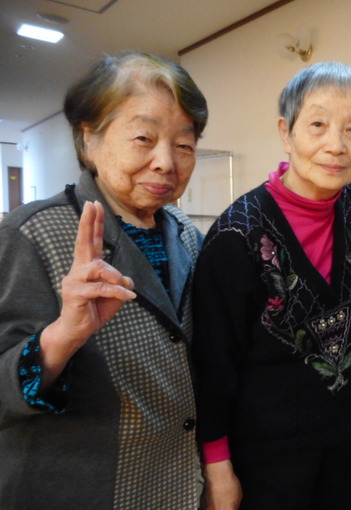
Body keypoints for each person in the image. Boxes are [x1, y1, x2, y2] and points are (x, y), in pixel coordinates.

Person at [0, 51, 208, 509]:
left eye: (184, 144)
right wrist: (61, 337)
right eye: (143, 137)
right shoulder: (31, 233)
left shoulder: (190, 236)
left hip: (176, 487)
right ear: (89, 138)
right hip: (81, 490)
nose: (165, 162)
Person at [192, 62, 351, 510]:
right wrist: (218, 470)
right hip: (266, 458)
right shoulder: (235, 237)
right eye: (317, 124)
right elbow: (213, 365)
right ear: (287, 132)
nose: (335, 146)